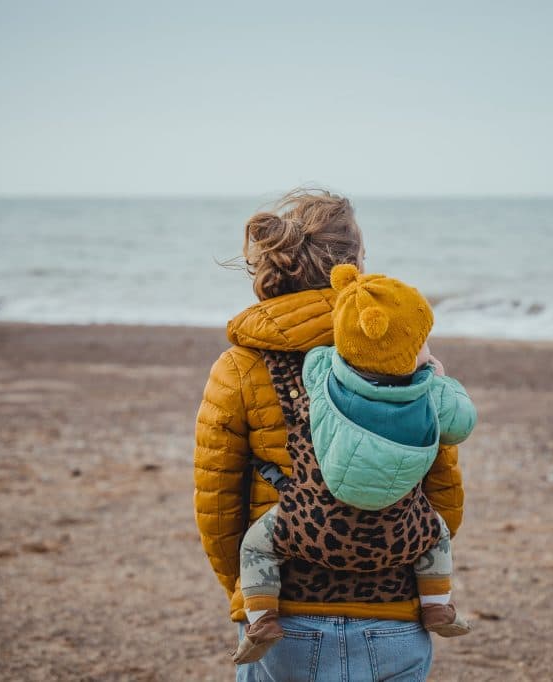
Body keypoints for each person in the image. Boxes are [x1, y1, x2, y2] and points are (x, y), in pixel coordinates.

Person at [193, 189, 466, 681]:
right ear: (355, 264)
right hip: (394, 615)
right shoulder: (405, 360)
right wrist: (407, 560)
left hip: (283, 612)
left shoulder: (239, 366)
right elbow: (440, 487)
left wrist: (247, 592)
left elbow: (216, 506)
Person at [234, 264, 477, 663]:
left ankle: (262, 618)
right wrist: (440, 378)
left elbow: (317, 363)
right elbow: (460, 424)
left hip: (310, 523)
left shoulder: (322, 371)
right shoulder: (429, 394)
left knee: (257, 546)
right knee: (437, 535)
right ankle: (437, 605)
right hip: (403, 525)